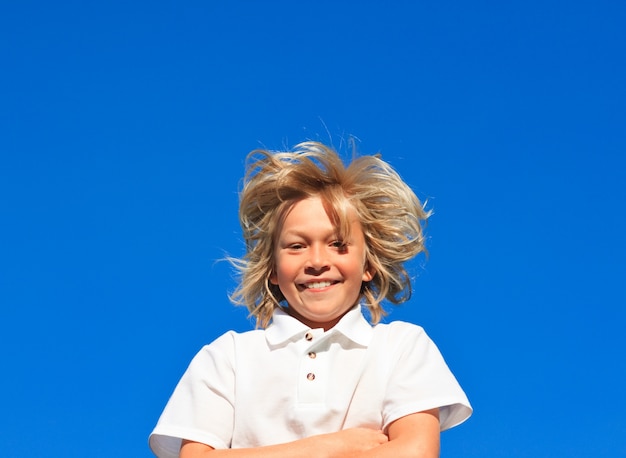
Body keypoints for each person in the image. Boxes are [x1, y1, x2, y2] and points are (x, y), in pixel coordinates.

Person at [149, 141, 472, 457]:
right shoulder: (227, 358)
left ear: (369, 266)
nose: (317, 261)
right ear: (272, 269)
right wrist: (331, 447)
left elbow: (415, 451)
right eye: (296, 246)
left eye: (338, 244)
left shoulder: (402, 346)